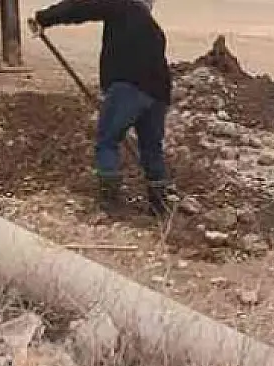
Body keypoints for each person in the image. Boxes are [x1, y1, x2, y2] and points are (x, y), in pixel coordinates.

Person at [30, 0, 173, 215]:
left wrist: (44, 18)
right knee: (151, 148)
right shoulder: (155, 29)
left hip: (128, 86)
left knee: (108, 141)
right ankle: (160, 205)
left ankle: (110, 203)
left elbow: (81, 6)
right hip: (158, 95)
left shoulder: (122, 5)